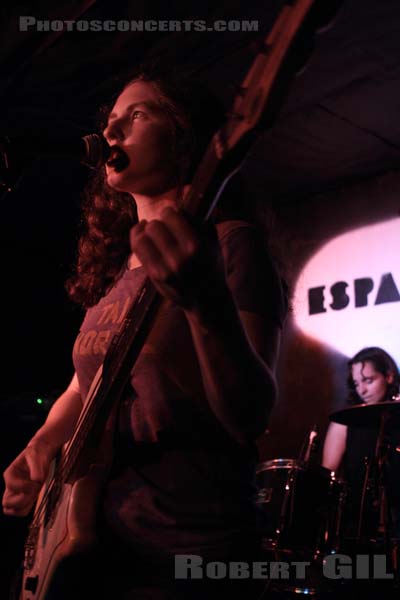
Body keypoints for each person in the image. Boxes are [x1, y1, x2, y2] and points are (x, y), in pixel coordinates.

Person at [2, 69, 287, 599]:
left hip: (191, 556)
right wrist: (41, 442)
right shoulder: (119, 275)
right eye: (109, 122)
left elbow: (251, 414)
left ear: (183, 135)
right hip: (103, 557)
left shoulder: (231, 245)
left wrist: (206, 306)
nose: (111, 133)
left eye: (135, 116)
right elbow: (82, 384)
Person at [322, 346, 400, 545]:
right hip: (358, 520)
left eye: (368, 380)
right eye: (357, 383)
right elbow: (328, 475)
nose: (361, 390)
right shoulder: (345, 421)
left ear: (389, 376)